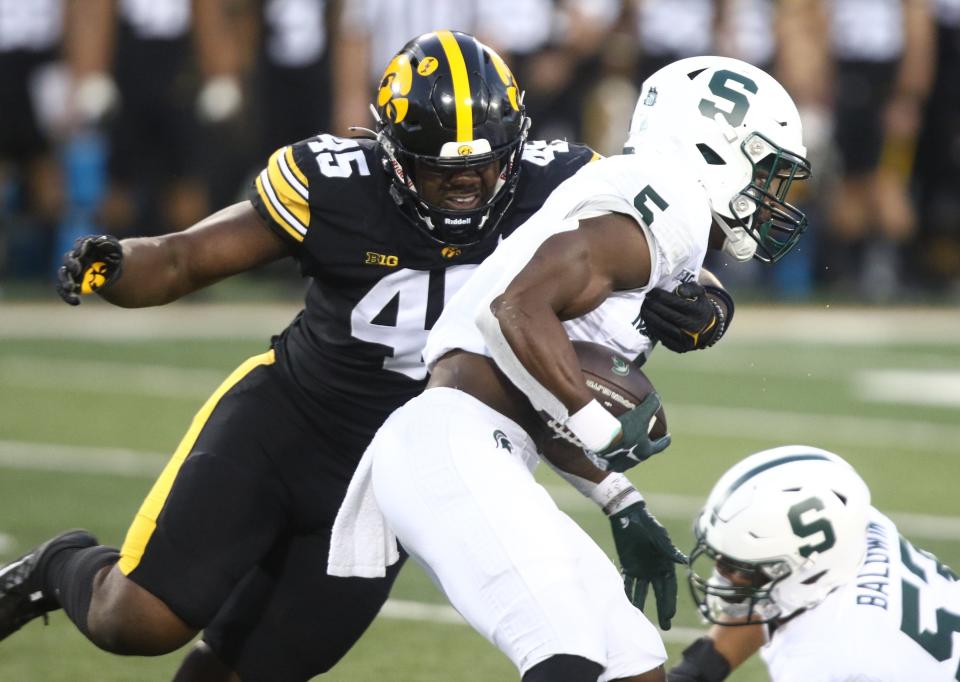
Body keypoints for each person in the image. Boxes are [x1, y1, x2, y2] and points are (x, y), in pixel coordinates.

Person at [0, 32, 717, 682]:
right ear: (393, 152)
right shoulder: (337, 183)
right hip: (287, 423)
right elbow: (188, 258)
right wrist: (117, 264)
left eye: (484, 167)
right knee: (140, 621)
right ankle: (54, 566)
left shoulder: (557, 183)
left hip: (394, 473)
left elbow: (663, 258)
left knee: (252, 669)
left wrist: (702, 302)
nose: (467, 186)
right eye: (442, 171)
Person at [327, 55, 812, 681]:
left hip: (484, 443)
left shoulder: (657, 201)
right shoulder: (676, 207)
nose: (768, 193)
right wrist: (599, 426)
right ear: (718, 150)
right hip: (451, 440)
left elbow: (533, 375)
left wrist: (620, 499)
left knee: (634, 666)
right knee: (567, 655)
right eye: (765, 169)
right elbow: (519, 309)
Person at [668, 445, 960, 682]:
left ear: (806, 574)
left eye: (738, 566)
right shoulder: (856, 530)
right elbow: (769, 606)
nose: (721, 572)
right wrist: (693, 674)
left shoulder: (828, 661)